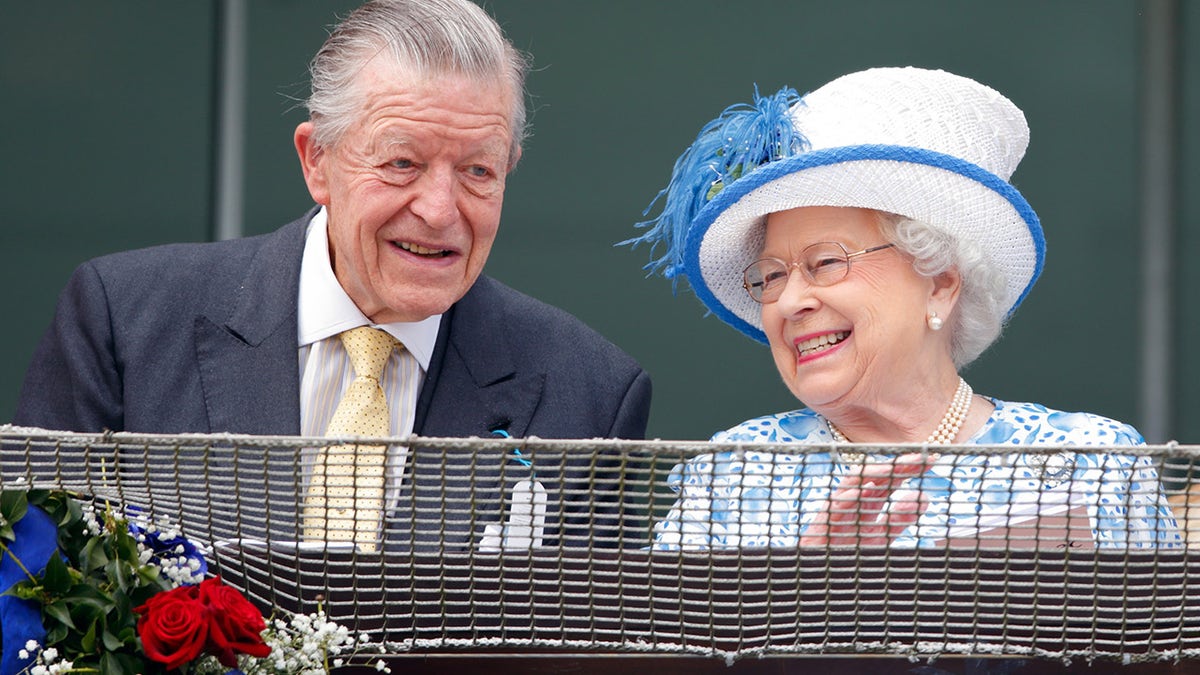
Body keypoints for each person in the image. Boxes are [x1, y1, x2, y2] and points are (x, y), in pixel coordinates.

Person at [12, 0, 651, 550]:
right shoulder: (125, 324)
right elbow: (37, 604)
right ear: (317, 161)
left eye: (478, 172)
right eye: (402, 162)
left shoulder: (590, 398)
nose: (439, 209)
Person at [627, 66, 1178, 549]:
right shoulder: (737, 474)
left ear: (939, 283)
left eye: (825, 263)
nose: (791, 301)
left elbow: (1166, 660)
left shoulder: (1090, 466)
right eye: (771, 276)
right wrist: (810, 590)